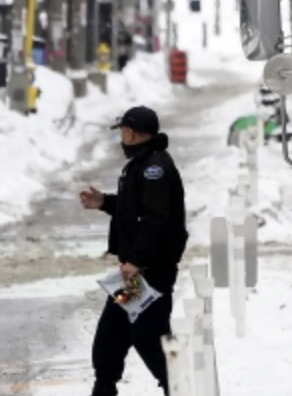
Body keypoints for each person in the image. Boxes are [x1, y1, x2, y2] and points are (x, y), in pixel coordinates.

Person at [79, 106, 187, 396]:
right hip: (135, 276)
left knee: (150, 337)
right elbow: (134, 211)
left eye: (123, 132)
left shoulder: (155, 169)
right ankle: (104, 389)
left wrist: (136, 261)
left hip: (151, 273)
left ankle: (180, 388)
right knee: (110, 336)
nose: (121, 139)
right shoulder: (141, 164)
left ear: (130, 132)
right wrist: (103, 202)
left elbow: (156, 220)